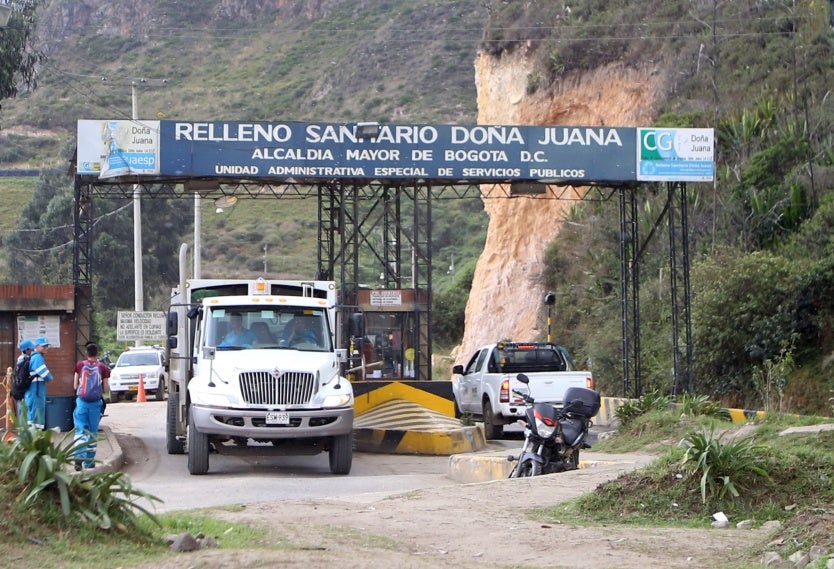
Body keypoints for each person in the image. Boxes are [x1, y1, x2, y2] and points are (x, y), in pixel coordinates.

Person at [72, 342, 110, 471]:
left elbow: (75, 386)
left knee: (80, 431)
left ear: (86, 353)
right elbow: (105, 389)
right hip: (95, 405)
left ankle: (78, 456)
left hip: (82, 403)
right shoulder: (103, 368)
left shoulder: (80, 365)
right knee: (92, 433)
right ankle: (89, 462)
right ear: (97, 353)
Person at [25, 336, 53, 429]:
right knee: (36, 418)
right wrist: (50, 377)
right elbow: (46, 375)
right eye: (43, 346)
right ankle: (35, 440)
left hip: (34, 391)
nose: (46, 348)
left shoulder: (34, 357)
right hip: (35, 391)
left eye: (46, 346)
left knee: (33, 417)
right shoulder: (37, 358)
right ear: (36, 346)